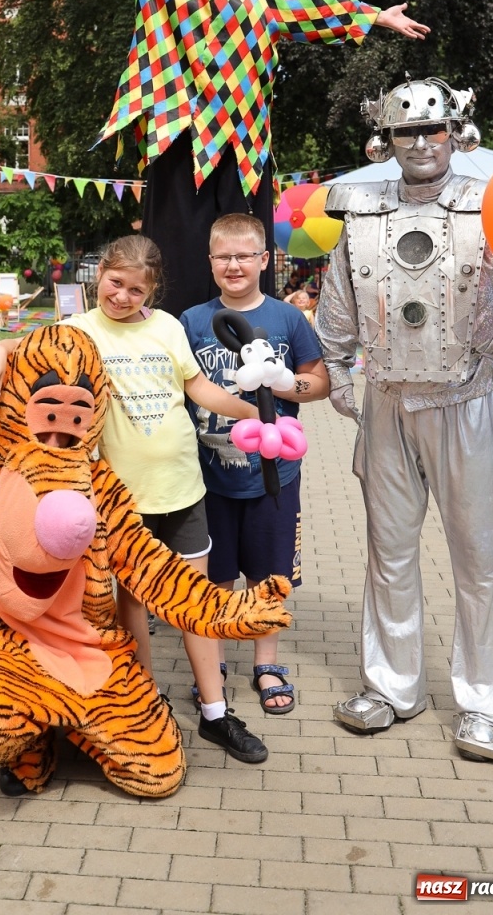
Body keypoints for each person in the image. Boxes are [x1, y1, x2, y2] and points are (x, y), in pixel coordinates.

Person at [12, 0, 431, 316]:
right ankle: (172, 339)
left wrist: (377, 16)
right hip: (176, 130)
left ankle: (251, 344)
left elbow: (319, 2)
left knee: (244, 248)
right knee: (174, 247)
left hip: (243, 138)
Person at [314, 76, 493, 761]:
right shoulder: (360, 211)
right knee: (387, 556)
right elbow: (341, 293)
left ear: (456, 133)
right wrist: (335, 362)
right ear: (386, 140)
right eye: (405, 132)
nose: (420, 144)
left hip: (466, 403)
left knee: (479, 560)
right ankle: (393, 687)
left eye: (432, 130)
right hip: (387, 403)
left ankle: (484, 703)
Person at [0, 234, 275, 764]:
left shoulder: (167, 328)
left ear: (151, 289)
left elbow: (198, 388)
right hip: (119, 500)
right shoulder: (77, 330)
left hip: (182, 488)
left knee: (193, 602)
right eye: (115, 283)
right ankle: (146, 701)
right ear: (99, 276)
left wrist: (253, 415)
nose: (123, 296)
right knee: (131, 603)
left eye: (136, 289)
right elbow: (20, 346)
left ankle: (215, 711)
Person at [180, 214, 330, 713]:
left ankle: (266, 664)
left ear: (265, 260)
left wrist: (287, 383)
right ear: (210, 262)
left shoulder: (288, 318)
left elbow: (320, 381)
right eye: (224, 256)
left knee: (268, 575)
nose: (234, 265)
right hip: (209, 476)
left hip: (274, 477)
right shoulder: (193, 321)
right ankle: (215, 659)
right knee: (216, 575)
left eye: (245, 255)